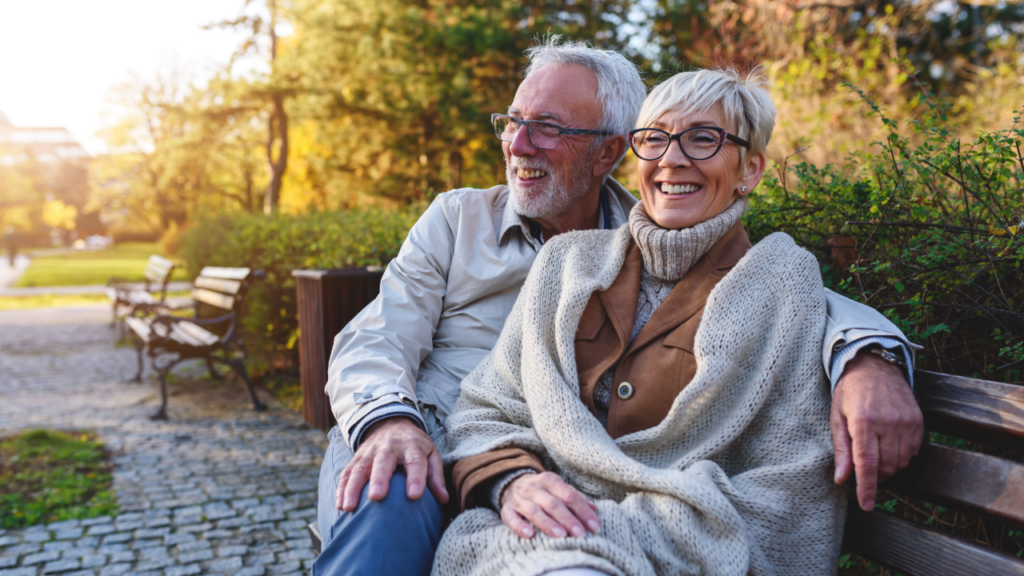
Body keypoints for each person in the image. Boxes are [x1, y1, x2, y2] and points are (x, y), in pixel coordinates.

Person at [313, 39, 921, 576]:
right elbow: (377, 338)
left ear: (608, 154)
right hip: (423, 436)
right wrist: (392, 423)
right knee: (392, 486)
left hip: (542, 490)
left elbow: (782, 290)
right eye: (513, 121)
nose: (518, 144)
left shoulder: (654, 231)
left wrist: (870, 357)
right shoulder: (461, 221)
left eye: (547, 126)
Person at [437, 65, 852, 576]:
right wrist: (513, 482)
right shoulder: (564, 265)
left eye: (703, 139)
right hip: (525, 538)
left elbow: (789, 484)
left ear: (751, 169)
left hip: (678, 551)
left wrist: (600, 529)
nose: (672, 159)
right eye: (653, 139)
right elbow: (487, 407)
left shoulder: (783, 284)